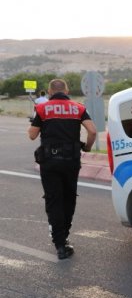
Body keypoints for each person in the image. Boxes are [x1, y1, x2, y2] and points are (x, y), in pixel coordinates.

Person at [28, 79, 97, 260]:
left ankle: (59, 244)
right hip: (71, 161)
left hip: (49, 162)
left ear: (50, 91)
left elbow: (32, 135)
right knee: (68, 198)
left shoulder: (43, 109)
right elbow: (93, 131)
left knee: (53, 200)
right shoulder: (78, 108)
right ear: (66, 90)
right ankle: (64, 237)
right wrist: (87, 148)